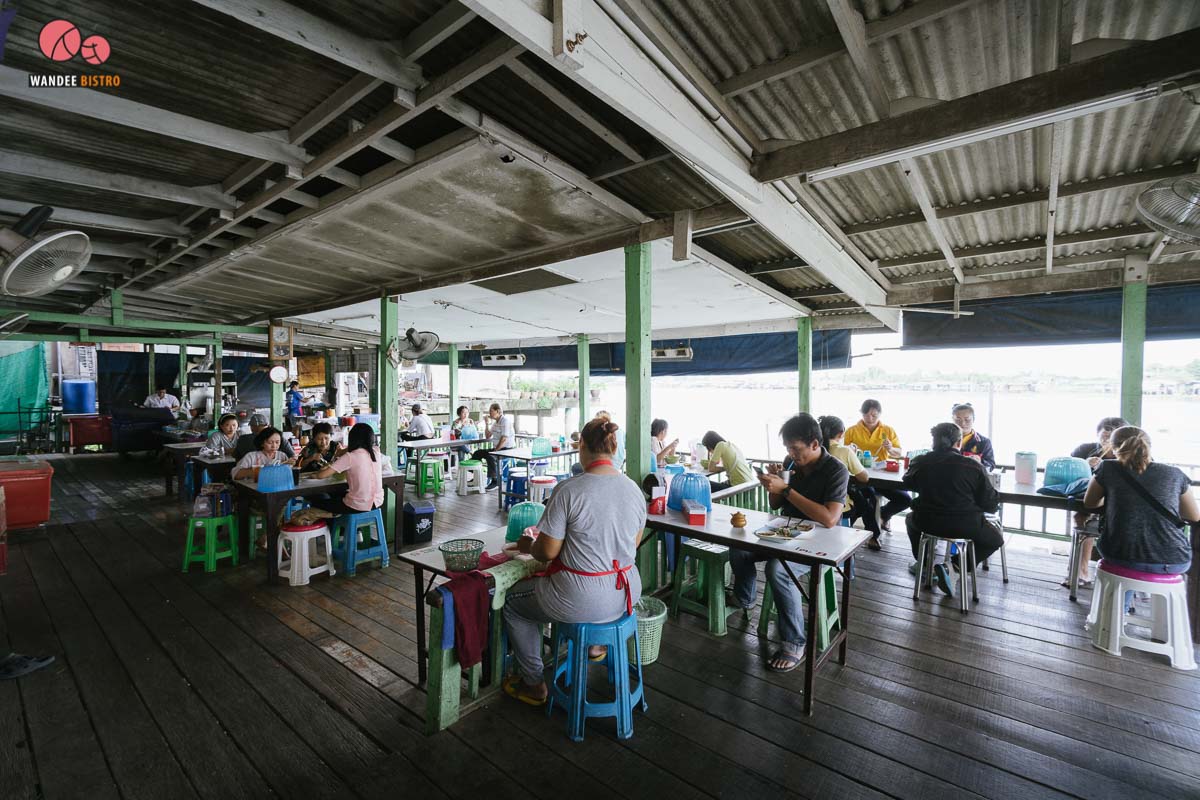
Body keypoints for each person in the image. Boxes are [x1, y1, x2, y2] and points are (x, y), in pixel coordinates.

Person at [501, 417, 645, 705]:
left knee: (512, 606)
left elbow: (547, 553)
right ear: (613, 449)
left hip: (582, 598)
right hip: (627, 592)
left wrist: (527, 543)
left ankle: (534, 684)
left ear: (582, 447)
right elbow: (631, 544)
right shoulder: (634, 490)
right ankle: (595, 645)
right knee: (586, 596)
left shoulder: (569, 490)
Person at [729, 414, 848, 673]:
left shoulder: (836, 470)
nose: (792, 454)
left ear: (815, 444)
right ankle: (746, 599)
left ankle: (795, 642)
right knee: (739, 545)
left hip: (820, 540)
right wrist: (773, 486)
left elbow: (829, 519)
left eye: (796, 448)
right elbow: (775, 505)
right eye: (788, 449)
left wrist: (785, 489)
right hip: (787, 531)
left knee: (777, 569)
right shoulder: (790, 462)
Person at [902, 422, 1003, 597]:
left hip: (926, 521)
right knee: (995, 539)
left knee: (910, 519)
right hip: (965, 525)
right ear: (959, 443)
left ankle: (925, 564)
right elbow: (990, 504)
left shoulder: (920, 461)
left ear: (933, 442)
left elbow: (908, 482)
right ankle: (954, 567)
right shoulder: (972, 466)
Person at [1082, 426, 1198, 575]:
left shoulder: (1107, 468)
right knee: (1143, 577)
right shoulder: (1175, 473)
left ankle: (1122, 598)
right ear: (1148, 446)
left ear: (1114, 448)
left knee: (1126, 576)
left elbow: (1090, 503)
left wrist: (1115, 499)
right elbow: (1193, 515)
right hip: (1174, 558)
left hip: (1120, 555)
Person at [1064, 416, 1126, 587]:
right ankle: (1080, 571)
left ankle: (1117, 574)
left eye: (1110, 438)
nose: (1106, 441)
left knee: (1086, 516)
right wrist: (1085, 464)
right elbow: (1067, 469)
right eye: (1103, 437)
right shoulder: (1086, 449)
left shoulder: (1131, 456)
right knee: (1082, 516)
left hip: (1122, 507)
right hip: (1092, 502)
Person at [843, 399, 909, 530]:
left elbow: (898, 452)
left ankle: (884, 515)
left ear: (880, 414)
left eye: (874, 415)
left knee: (905, 499)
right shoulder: (852, 430)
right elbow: (843, 451)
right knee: (868, 498)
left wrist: (890, 448)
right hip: (860, 475)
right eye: (866, 414)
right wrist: (849, 448)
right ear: (861, 413)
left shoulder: (888, 430)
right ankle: (870, 532)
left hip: (883, 476)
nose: (869, 418)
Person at [819, 415, 882, 550]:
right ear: (841, 433)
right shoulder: (844, 451)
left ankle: (872, 534)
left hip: (816, 502)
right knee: (867, 500)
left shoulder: (815, 449)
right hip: (838, 506)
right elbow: (864, 477)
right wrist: (851, 453)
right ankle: (872, 535)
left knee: (866, 496)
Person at [310, 423, 385, 515]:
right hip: (378, 502)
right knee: (339, 495)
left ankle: (335, 527)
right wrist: (341, 451)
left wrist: (313, 475)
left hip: (357, 505)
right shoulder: (376, 451)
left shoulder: (350, 457)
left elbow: (321, 475)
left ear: (352, 438)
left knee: (317, 502)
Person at [472, 403, 514, 490]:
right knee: (477, 453)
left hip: (507, 449)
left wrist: (496, 450)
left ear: (498, 411)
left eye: (491, 411)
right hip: (497, 448)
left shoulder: (505, 421)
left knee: (491, 456)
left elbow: (504, 439)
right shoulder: (495, 423)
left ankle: (495, 481)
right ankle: (476, 477)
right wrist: (487, 424)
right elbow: (488, 436)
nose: (489, 413)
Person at [952, 402, 995, 470]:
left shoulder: (984, 442)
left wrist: (980, 461)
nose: (963, 423)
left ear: (973, 419)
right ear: (952, 420)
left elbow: (991, 465)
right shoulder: (945, 439)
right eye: (958, 419)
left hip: (973, 478)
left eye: (967, 419)